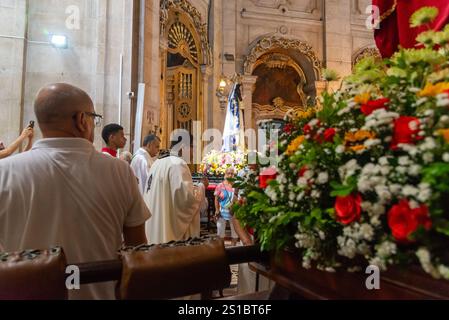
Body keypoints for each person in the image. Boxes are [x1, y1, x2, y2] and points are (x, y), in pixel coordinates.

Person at [0, 83, 151, 300]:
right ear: (82, 120)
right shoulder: (119, 172)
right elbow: (138, 249)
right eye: (93, 118)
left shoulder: (3, 172)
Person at [144, 137, 202, 244]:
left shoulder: (157, 162)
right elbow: (186, 200)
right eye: (193, 147)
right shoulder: (178, 164)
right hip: (168, 232)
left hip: (155, 225)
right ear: (183, 147)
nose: (193, 152)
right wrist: (201, 187)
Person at [214, 167, 238, 246]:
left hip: (233, 212)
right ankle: (221, 249)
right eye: (229, 173)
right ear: (225, 174)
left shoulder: (236, 186)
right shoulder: (220, 186)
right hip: (222, 212)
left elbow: (238, 198)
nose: (230, 175)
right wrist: (217, 210)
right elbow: (216, 199)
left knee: (235, 232)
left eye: (232, 174)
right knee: (220, 232)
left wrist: (234, 208)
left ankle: (233, 248)